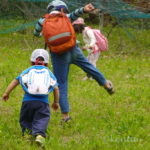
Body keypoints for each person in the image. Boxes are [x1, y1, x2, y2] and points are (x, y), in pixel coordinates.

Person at [34, 0, 114, 122]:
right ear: (62, 9)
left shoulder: (43, 20)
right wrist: (84, 9)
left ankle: (65, 116)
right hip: (74, 50)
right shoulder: (65, 17)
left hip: (58, 55)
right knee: (89, 67)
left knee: (61, 84)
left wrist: (43, 34)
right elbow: (75, 14)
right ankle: (105, 83)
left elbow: (36, 33)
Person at [2, 49, 59, 147]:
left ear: (31, 62)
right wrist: (56, 102)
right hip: (43, 103)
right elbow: (56, 88)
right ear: (47, 63)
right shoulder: (49, 72)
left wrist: (6, 93)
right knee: (42, 118)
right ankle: (40, 135)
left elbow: (15, 81)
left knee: (26, 118)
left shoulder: (28, 71)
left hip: (27, 102)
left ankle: (27, 135)